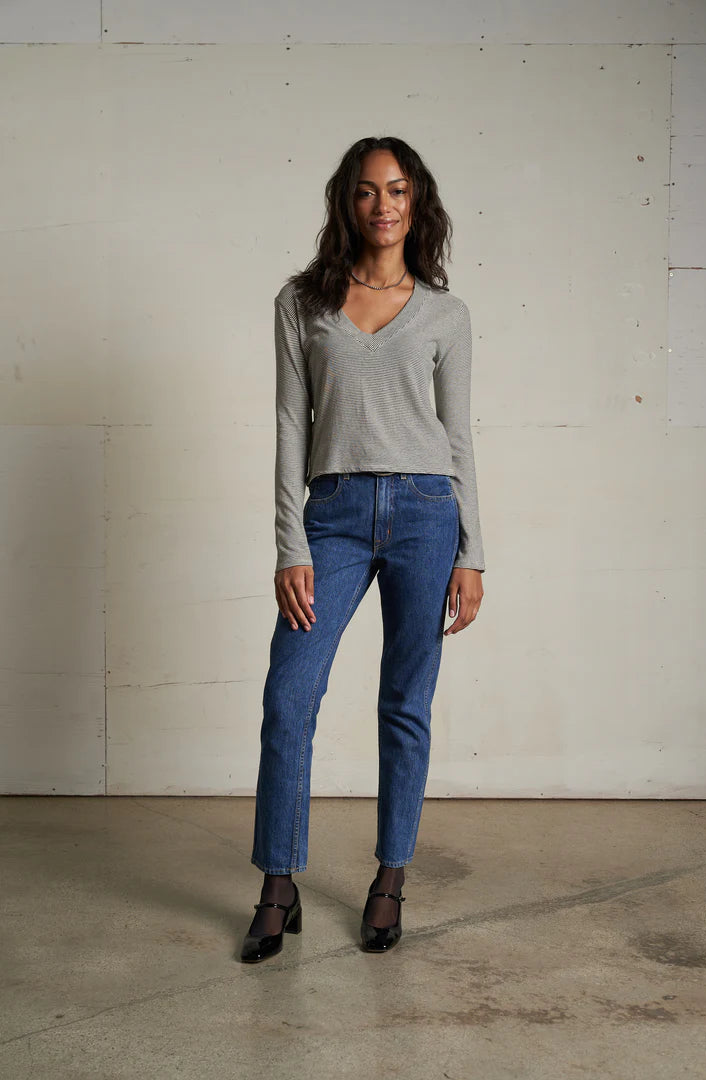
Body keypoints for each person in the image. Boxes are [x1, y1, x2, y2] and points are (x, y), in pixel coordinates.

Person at [241, 136, 485, 963]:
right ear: (347, 203)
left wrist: (472, 552)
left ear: (418, 204)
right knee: (290, 694)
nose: (384, 205)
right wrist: (290, 544)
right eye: (368, 191)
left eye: (399, 189)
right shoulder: (302, 303)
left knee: (405, 703)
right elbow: (289, 426)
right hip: (335, 513)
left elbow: (458, 437)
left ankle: (390, 877)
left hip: (426, 512)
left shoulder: (446, 313)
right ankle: (279, 884)